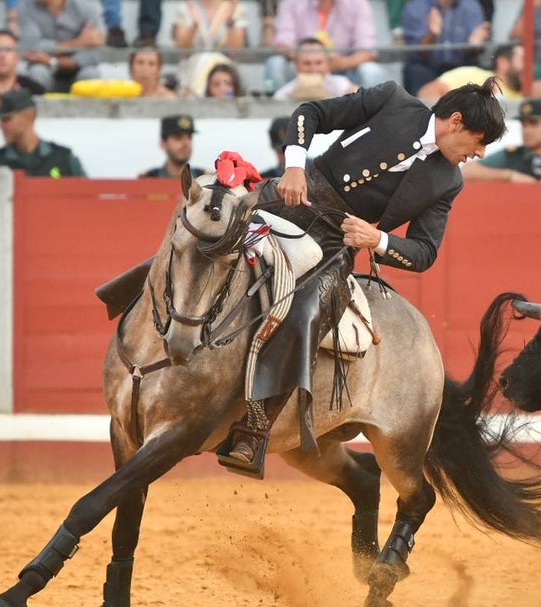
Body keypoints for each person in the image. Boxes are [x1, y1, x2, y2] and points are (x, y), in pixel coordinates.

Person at [216, 78, 505, 475]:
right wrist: (295, 168)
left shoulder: (447, 181)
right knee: (204, 237)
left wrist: (377, 239)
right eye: (480, 140)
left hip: (335, 244)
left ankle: (253, 430)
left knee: (308, 312)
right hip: (291, 198)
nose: (480, 153)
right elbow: (310, 113)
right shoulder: (393, 100)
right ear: (455, 122)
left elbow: (424, 253)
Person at [265, 0, 386, 90]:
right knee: (275, 64)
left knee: (371, 71)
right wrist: (309, 60)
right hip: (304, 68)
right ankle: (282, 118)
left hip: (343, 68)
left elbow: (368, 50)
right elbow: (282, 43)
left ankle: (369, 119)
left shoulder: (357, 3)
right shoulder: (292, 3)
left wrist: (342, 63)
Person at [0, 89, 86, 177]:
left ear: (29, 116)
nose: (0, 125)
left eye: (6, 119)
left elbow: (87, 195)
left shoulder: (63, 158)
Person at [401, 0, 489, 95]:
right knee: (415, 71)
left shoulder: (471, 5)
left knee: (480, 72)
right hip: (427, 66)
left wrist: (475, 45)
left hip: (461, 65)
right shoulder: (416, 6)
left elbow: (475, 49)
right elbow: (417, 52)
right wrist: (432, 34)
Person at [17, 0, 105, 93]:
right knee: (37, 72)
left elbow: (94, 53)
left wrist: (52, 61)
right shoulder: (25, 6)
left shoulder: (88, 6)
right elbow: (31, 49)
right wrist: (79, 42)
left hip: (78, 69)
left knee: (90, 74)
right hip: (44, 68)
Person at [417, 41, 523, 100]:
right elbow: (428, 92)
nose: (530, 67)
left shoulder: (529, 92)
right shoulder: (472, 74)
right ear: (502, 62)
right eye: (523, 59)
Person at [273, 37, 358, 100]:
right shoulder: (284, 94)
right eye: (307, 63)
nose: (313, 69)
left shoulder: (341, 84)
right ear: (296, 65)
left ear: (327, 64)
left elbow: (359, 97)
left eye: (318, 63)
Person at [139, 114, 206, 179]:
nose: (186, 143)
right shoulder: (149, 179)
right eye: (178, 137)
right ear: (163, 144)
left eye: (189, 137)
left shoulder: (205, 180)